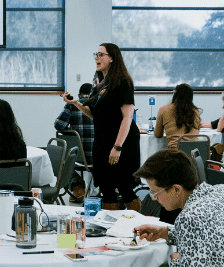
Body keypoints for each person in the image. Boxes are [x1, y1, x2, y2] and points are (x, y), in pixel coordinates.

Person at [63, 43, 141, 211]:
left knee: (124, 187)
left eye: (100, 54)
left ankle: (136, 226)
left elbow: (127, 117)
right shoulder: (98, 83)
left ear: (112, 58)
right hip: (102, 140)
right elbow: (94, 114)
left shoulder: (123, 82)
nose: (96, 58)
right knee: (106, 187)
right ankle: (110, 227)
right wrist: (76, 103)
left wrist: (117, 147)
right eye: (95, 54)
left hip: (122, 141)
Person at [54, 83, 94, 202]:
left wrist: (71, 133)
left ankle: (78, 188)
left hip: (78, 157)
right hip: (99, 157)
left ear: (78, 95)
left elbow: (58, 125)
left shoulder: (72, 105)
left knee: (64, 158)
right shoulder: (98, 104)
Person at [153, 83, 201, 149]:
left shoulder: (164, 109)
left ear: (175, 95)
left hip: (175, 153)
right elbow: (197, 132)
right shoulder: (195, 111)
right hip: (195, 152)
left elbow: (158, 134)